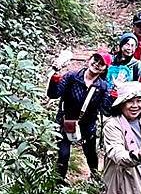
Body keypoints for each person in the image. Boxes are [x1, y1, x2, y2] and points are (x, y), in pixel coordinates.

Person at [47, 49, 112, 179]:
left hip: (87, 125)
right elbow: (53, 94)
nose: (97, 64)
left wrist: (113, 96)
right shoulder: (72, 76)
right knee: (63, 154)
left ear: (104, 69)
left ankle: (94, 178)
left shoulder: (102, 86)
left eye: (101, 63)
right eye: (96, 60)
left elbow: (106, 109)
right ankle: (59, 183)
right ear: (90, 60)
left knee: (90, 154)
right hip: (66, 121)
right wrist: (55, 78)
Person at [107, 32, 141, 99]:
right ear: (121, 45)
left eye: (133, 45)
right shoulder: (110, 60)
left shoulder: (136, 64)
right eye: (127, 44)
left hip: (125, 100)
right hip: (106, 97)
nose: (130, 48)